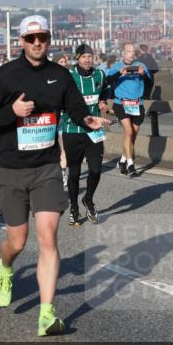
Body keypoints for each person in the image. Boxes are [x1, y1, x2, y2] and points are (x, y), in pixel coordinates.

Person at [0, 15, 107, 337]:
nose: (38, 43)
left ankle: (47, 315)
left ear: (49, 40)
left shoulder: (60, 75)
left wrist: (88, 119)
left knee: (48, 237)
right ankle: (5, 268)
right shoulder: (5, 75)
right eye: (31, 38)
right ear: (21, 41)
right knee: (17, 242)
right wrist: (12, 113)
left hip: (47, 167)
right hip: (11, 168)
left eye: (43, 38)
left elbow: (74, 106)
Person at [61, 43, 107, 226]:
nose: (87, 60)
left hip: (94, 132)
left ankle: (88, 199)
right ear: (77, 58)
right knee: (74, 172)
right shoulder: (69, 77)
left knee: (96, 169)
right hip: (73, 131)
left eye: (90, 56)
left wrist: (103, 100)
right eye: (84, 57)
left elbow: (105, 89)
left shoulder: (100, 75)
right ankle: (73, 207)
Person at [107, 43, 150, 177]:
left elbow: (150, 83)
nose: (131, 54)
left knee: (132, 136)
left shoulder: (141, 66)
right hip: (121, 104)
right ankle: (131, 165)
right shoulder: (117, 66)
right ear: (123, 53)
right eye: (128, 51)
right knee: (129, 131)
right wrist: (119, 73)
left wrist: (143, 75)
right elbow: (108, 81)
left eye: (132, 52)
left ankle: (123, 160)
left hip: (137, 104)